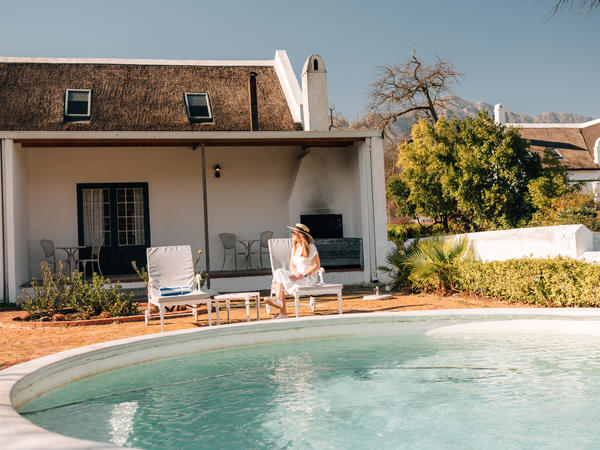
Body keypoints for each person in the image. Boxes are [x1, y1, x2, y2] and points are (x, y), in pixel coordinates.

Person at [265, 223, 321, 318]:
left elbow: (317, 266)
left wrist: (303, 274)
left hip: (308, 279)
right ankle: (279, 303)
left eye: (293, 232)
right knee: (278, 272)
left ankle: (283, 312)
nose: (292, 234)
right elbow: (292, 265)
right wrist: (296, 273)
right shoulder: (295, 248)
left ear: (300, 234)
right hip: (297, 277)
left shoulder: (311, 247)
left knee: (279, 283)